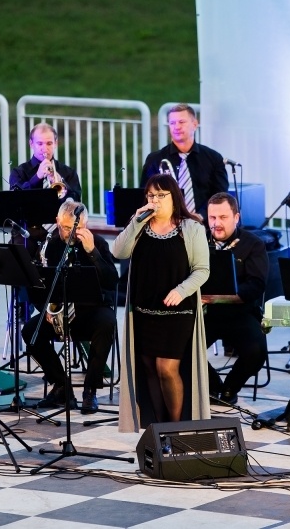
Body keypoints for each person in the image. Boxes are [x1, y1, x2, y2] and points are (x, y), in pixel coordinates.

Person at [111, 173, 211, 432]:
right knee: (149, 369)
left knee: (166, 367)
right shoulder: (141, 225)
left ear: (173, 197)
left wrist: (181, 290)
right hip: (145, 310)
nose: (154, 200)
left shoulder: (192, 228)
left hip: (177, 311)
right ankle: (158, 427)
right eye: (150, 195)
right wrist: (135, 220)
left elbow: (202, 270)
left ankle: (175, 429)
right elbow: (118, 252)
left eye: (160, 195)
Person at [21, 199, 119, 413]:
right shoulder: (50, 246)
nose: (71, 233)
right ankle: (62, 386)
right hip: (59, 314)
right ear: (57, 222)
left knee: (108, 323)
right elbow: (35, 287)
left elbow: (112, 281)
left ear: (86, 225)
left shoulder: (98, 243)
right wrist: (45, 310)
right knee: (30, 331)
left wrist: (93, 252)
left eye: (77, 228)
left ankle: (90, 389)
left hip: (92, 311)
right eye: (66, 228)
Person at [202, 193, 269, 405]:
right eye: (212, 218)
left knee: (256, 351)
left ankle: (231, 388)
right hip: (206, 314)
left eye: (223, 217)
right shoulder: (199, 241)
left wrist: (223, 297)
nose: (216, 223)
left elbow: (257, 285)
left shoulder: (253, 244)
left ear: (236, 217)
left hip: (241, 313)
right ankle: (214, 388)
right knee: (179, 347)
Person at [140, 103, 228, 222]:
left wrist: (201, 216)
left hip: (204, 226)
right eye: (172, 123)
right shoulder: (155, 159)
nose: (176, 127)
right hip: (165, 225)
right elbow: (144, 194)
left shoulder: (213, 158)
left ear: (195, 124)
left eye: (181, 122)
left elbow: (220, 195)